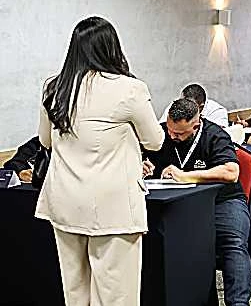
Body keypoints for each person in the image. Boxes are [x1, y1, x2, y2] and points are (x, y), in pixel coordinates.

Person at [35, 16, 164, 306]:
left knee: (75, 291)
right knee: (117, 295)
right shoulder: (129, 88)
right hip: (113, 207)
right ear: (112, 48)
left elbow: (45, 141)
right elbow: (155, 141)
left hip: (64, 202)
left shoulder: (53, 88)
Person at [145, 98, 251, 306]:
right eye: (170, 130)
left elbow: (231, 172)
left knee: (233, 243)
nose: (172, 136)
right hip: (179, 204)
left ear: (195, 125)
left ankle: (238, 303)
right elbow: (143, 156)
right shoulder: (162, 134)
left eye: (179, 133)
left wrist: (186, 176)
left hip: (222, 200)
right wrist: (142, 165)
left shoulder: (215, 135)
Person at [159, 83, 228, 127]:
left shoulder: (217, 111)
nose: (184, 107)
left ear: (201, 107)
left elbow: (220, 138)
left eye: (190, 106)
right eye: (183, 103)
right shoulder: (175, 105)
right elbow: (162, 128)